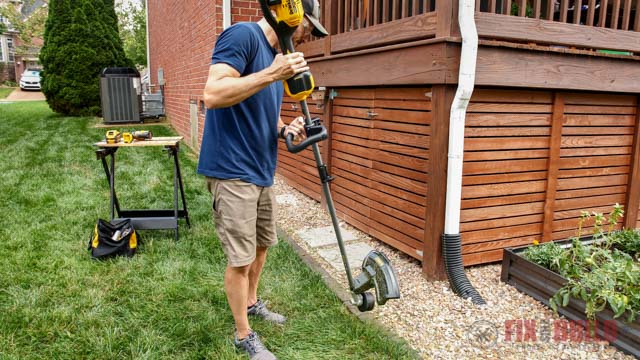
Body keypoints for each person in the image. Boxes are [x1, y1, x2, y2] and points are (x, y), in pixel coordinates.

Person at [198, 0, 328, 359]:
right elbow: (213, 94)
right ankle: (243, 336)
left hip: (261, 169)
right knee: (240, 258)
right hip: (231, 168)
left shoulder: (277, 56)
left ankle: (252, 303)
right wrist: (272, 73)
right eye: (308, 28)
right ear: (290, 15)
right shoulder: (242, 36)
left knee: (262, 244)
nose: (307, 37)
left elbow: (258, 114)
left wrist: (286, 128)